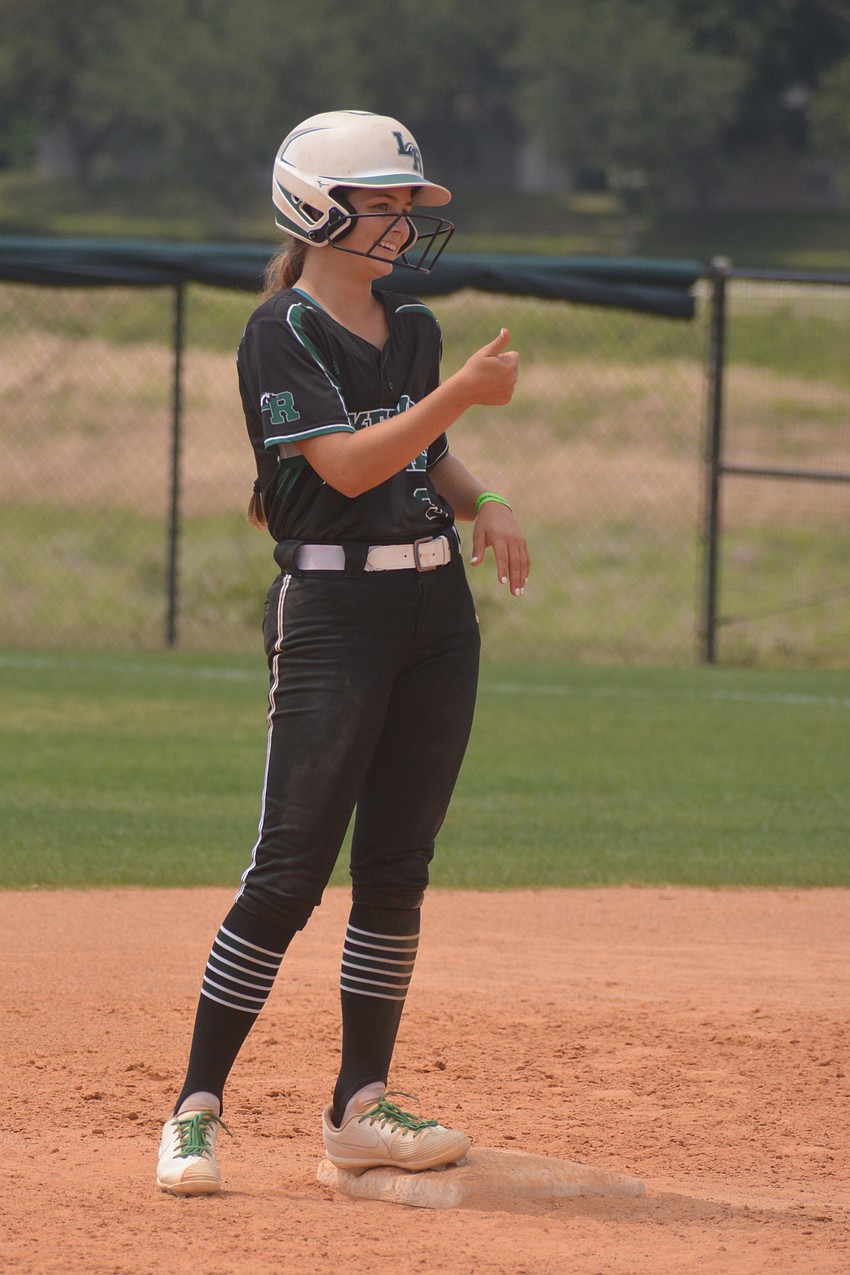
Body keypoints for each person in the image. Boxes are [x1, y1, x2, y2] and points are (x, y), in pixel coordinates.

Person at [156, 109, 530, 1195]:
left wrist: (487, 498)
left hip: (434, 613)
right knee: (286, 873)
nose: (402, 225)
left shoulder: (409, 330)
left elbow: (427, 450)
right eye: (381, 204)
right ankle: (194, 1110)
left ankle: (359, 1107)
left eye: (407, 206)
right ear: (316, 209)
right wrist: (454, 398)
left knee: (396, 870)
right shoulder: (286, 327)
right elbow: (353, 468)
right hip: (331, 615)